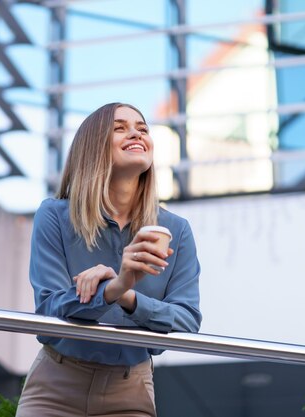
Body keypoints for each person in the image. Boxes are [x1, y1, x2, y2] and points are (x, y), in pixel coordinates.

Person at [16, 103, 202, 417]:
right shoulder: (54, 216)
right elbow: (47, 316)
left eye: (142, 128)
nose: (136, 133)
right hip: (55, 386)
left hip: (130, 393)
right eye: (120, 127)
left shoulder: (176, 231)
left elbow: (186, 321)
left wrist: (125, 293)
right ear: (93, 146)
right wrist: (110, 290)